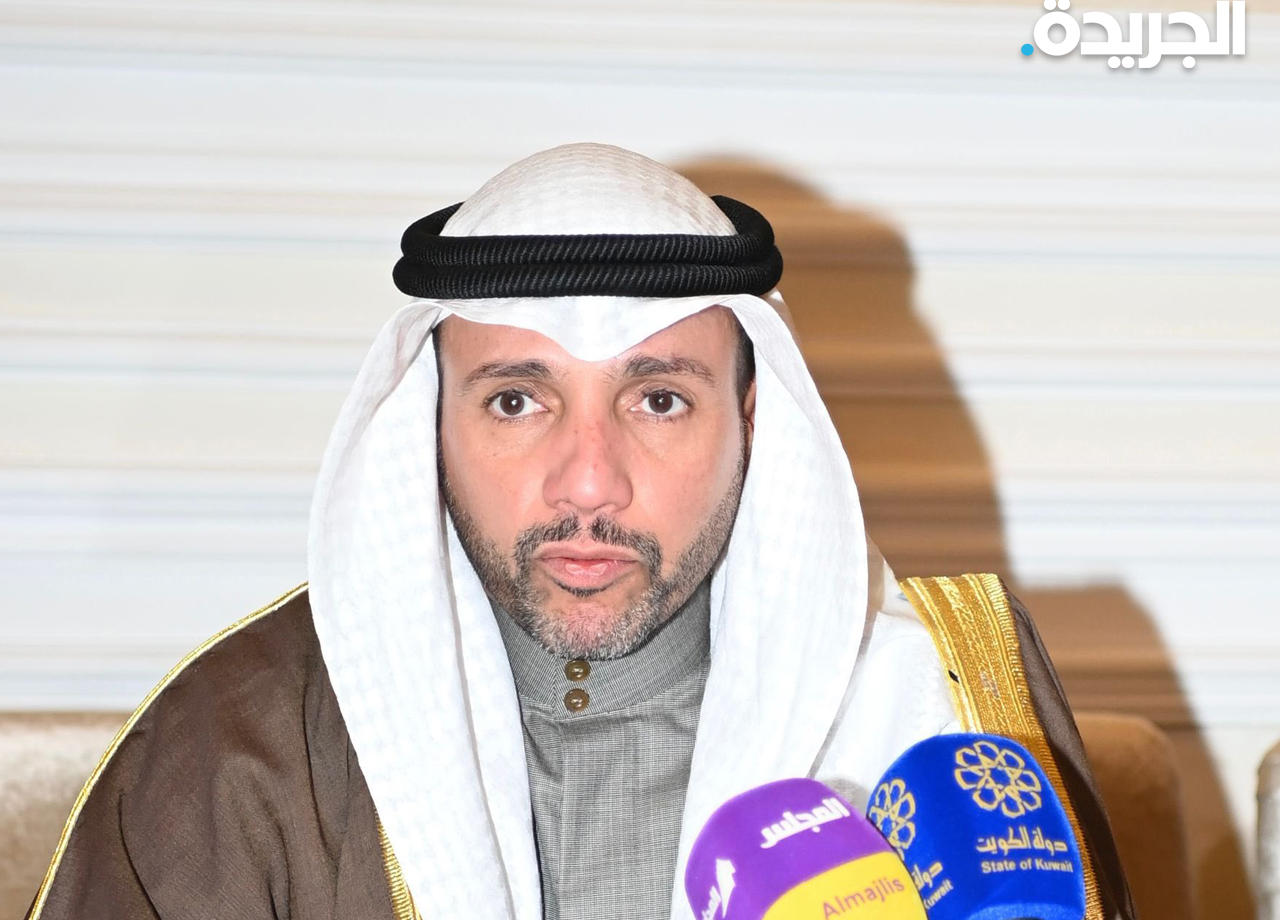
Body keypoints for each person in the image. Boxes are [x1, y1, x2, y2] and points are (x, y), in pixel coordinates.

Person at [25, 143, 1134, 920]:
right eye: (518, 400)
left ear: (752, 419)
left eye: (658, 399)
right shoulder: (237, 745)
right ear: (430, 421)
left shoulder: (948, 692)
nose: (588, 480)